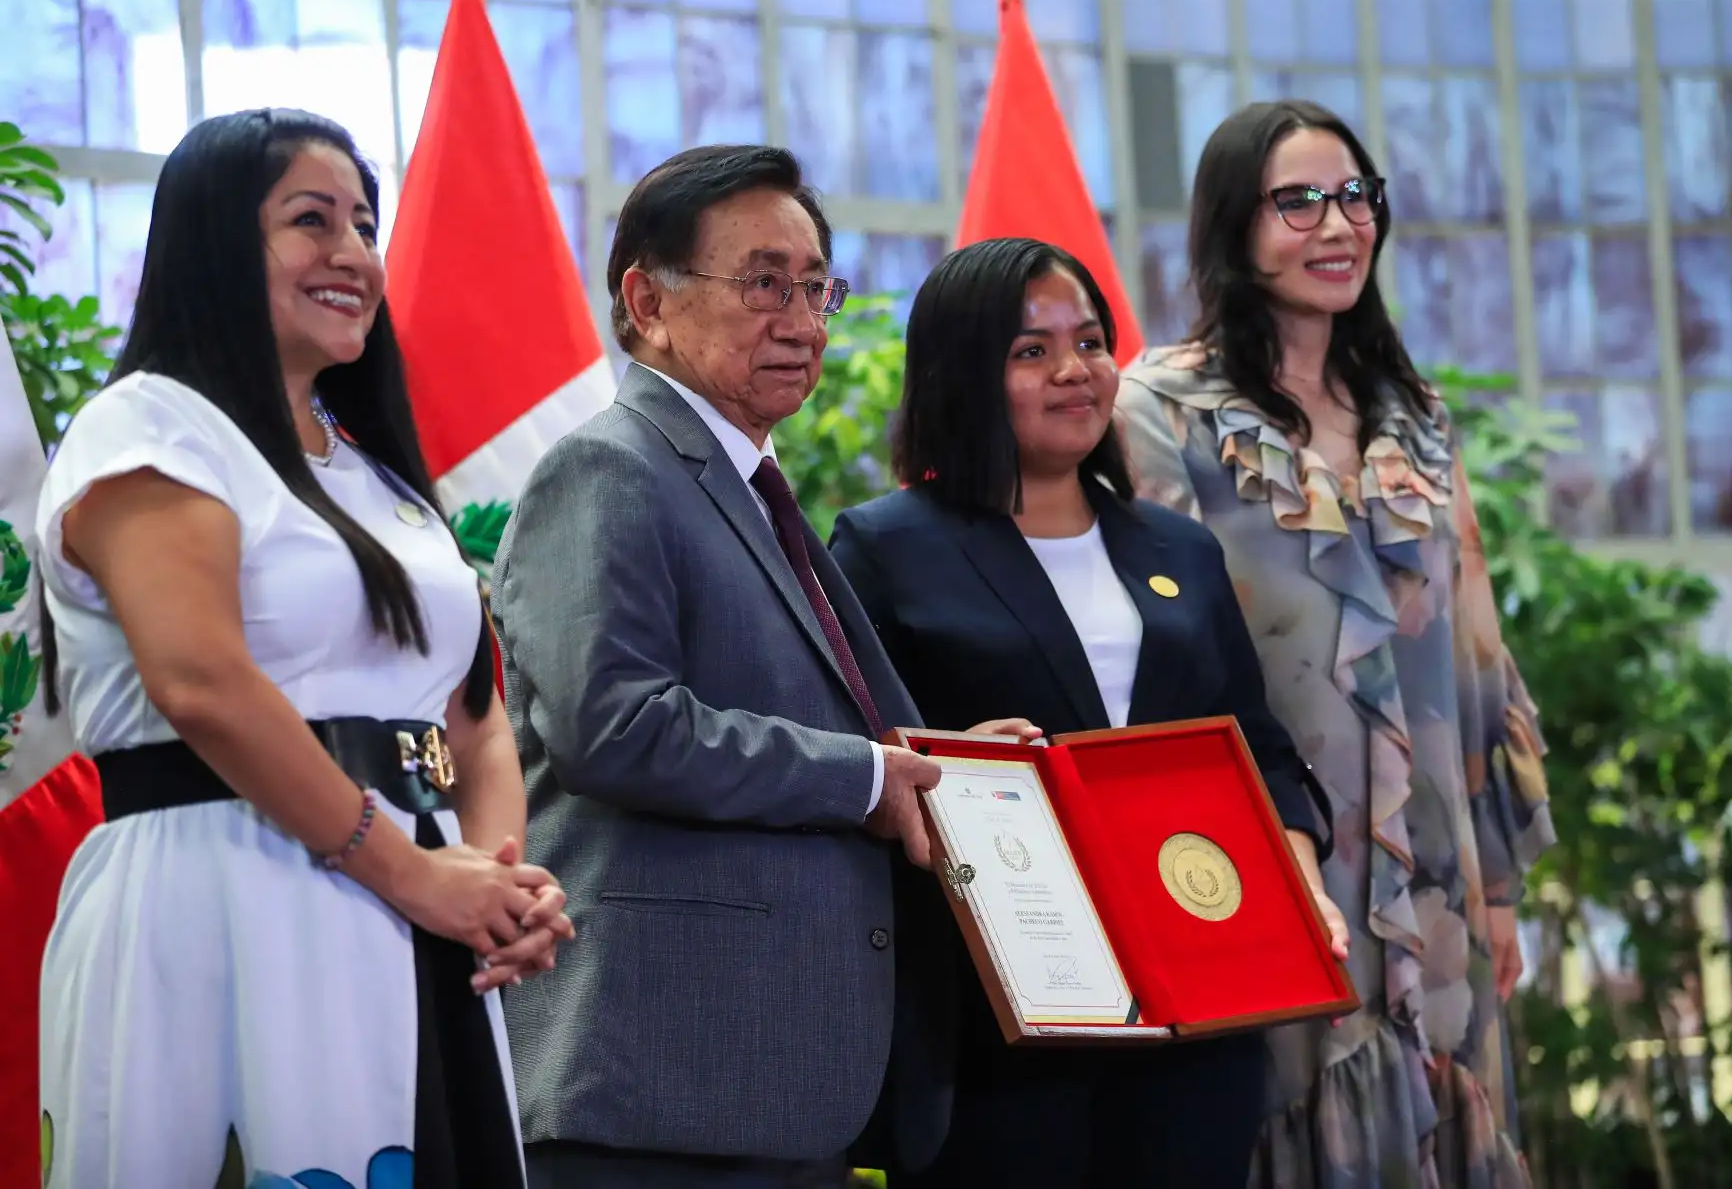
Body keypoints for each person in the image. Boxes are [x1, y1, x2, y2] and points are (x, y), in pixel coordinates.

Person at [33, 108, 572, 1189]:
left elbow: (474, 714)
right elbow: (203, 687)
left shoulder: (381, 480)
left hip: (417, 916)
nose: (352, 254)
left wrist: (498, 884)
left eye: (364, 224)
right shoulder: (151, 427)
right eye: (309, 220)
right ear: (214, 244)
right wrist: (412, 873)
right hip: (226, 889)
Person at [489, 144, 1032, 1188]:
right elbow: (616, 725)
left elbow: (805, 724)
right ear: (646, 301)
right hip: (656, 1083)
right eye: (763, 284)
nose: (802, 319)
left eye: (816, 285)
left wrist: (936, 764)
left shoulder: (749, 490)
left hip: (769, 1085)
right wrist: (868, 777)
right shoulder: (608, 468)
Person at [826, 237, 1347, 1189]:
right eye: (1031, 351)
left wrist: (1300, 889)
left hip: (1199, 1008)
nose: (1076, 370)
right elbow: (857, 761)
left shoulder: (1179, 549)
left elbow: (1257, 754)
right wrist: (946, 763)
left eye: (1093, 341)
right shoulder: (883, 546)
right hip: (1004, 1032)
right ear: (962, 373)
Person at [1114, 100, 1557, 1187]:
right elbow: (1162, 664)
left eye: (1356, 196)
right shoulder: (1159, 407)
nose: (1337, 224)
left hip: (1438, 873)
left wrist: (1495, 887)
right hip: (1279, 859)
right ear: (1234, 223)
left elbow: (1474, 652)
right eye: (1298, 200)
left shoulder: (1414, 413)